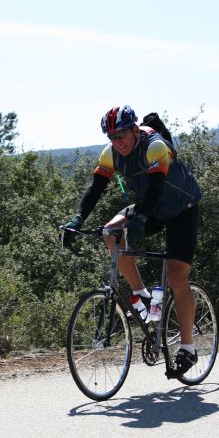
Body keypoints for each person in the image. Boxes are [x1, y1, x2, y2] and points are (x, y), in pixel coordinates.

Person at [62, 105, 203, 376]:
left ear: (135, 130)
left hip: (181, 209)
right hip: (150, 209)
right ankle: (142, 295)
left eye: (122, 135)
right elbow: (95, 189)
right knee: (109, 231)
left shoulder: (155, 147)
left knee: (176, 277)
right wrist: (77, 220)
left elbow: (157, 188)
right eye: (112, 137)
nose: (118, 142)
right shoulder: (111, 154)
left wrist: (139, 220)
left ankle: (188, 348)